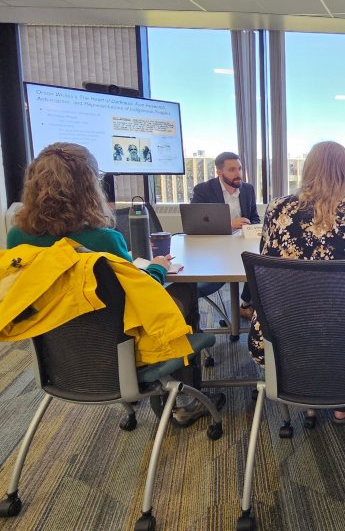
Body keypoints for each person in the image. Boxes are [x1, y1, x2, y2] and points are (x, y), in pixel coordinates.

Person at [6, 142, 223, 426]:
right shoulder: (104, 240)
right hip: (118, 344)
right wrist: (158, 267)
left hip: (58, 353)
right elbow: (139, 297)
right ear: (87, 188)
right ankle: (186, 401)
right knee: (185, 290)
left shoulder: (16, 240)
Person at [248, 141, 345, 423]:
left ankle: (303, 383)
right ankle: (343, 396)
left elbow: (266, 265)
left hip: (288, 330)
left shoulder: (278, 210)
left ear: (307, 169)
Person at [191, 151, 260, 317]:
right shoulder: (204, 190)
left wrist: (251, 226)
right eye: (232, 170)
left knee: (258, 260)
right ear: (219, 172)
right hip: (214, 247)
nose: (238, 174)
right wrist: (229, 225)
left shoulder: (248, 189)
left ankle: (244, 304)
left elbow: (255, 217)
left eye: (240, 169)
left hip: (242, 242)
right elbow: (195, 224)